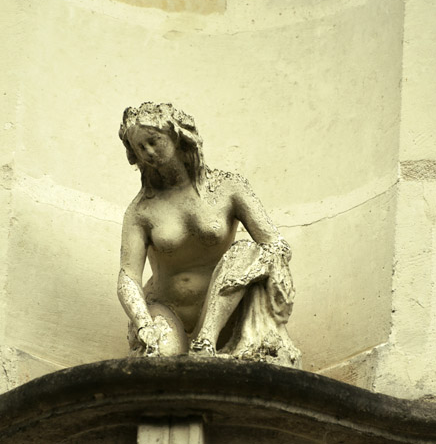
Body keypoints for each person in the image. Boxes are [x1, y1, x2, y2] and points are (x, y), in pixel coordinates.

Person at [116, 102, 300, 367]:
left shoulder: (228, 187)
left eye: (153, 141)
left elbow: (275, 244)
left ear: (177, 136)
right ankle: (176, 340)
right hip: (166, 309)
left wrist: (252, 270)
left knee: (248, 250)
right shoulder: (141, 210)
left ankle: (206, 340)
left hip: (225, 315)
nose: (149, 153)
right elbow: (128, 276)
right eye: (139, 148)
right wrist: (144, 324)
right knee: (162, 364)